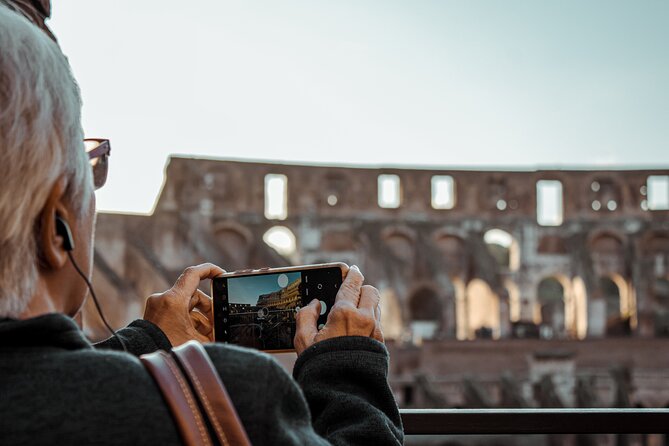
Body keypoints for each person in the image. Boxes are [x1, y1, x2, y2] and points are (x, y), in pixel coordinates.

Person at [0, 2, 403, 445]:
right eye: (92, 167)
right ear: (56, 228)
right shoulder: (224, 400)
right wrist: (345, 369)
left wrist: (145, 341)